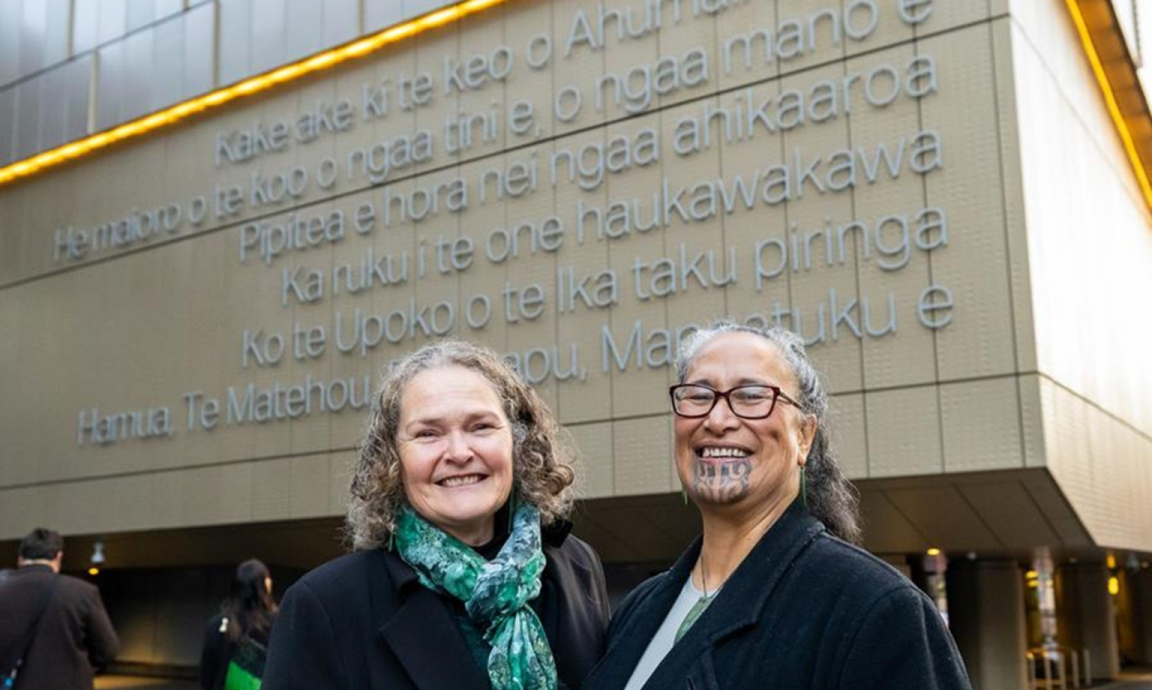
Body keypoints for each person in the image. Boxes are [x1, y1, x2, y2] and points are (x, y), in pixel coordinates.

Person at [582, 322, 972, 690]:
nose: (717, 419)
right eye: (698, 396)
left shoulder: (876, 611)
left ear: (804, 436)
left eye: (751, 396)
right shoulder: (638, 609)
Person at [263, 340, 610, 690]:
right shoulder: (326, 605)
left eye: (481, 427)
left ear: (517, 442)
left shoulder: (577, 567)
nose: (459, 453)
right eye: (428, 434)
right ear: (392, 460)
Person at [0, 527, 120, 690]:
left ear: (20, 558)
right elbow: (108, 649)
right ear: (58, 556)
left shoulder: (3, 590)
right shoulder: (82, 592)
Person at [199, 558, 278, 690]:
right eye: (268, 578)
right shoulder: (277, 623)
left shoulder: (217, 625)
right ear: (263, 585)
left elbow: (207, 677)